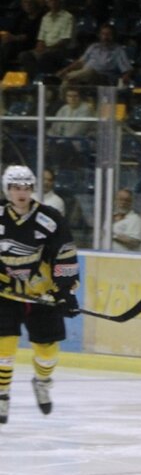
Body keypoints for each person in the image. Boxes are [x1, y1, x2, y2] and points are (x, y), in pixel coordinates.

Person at [0, 165, 80, 424]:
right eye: (15, 187)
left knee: (47, 352)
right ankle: (2, 394)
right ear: (6, 189)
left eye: (25, 187)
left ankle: (42, 380)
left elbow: (64, 254)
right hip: (5, 294)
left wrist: (66, 292)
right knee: (4, 347)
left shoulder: (50, 218)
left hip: (41, 294)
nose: (20, 193)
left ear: (32, 189)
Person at [56, 23, 132, 91]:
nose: (106, 37)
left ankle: (67, 76)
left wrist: (125, 77)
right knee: (68, 82)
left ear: (113, 36)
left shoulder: (118, 50)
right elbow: (80, 62)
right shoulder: (93, 47)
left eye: (109, 34)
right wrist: (65, 70)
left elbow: (127, 69)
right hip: (84, 75)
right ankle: (61, 102)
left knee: (89, 71)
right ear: (100, 35)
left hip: (104, 78)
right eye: (103, 34)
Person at [18, 0, 73, 79]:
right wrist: (39, 48)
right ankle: (36, 80)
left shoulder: (68, 17)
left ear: (60, 1)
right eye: (50, 1)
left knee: (46, 56)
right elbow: (41, 38)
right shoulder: (45, 17)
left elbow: (65, 40)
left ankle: (48, 81)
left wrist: (47, 49)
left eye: (54, 0)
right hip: (46, 49)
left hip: (61, 49)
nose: (52, 2)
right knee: (24, 55)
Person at [0, 0, 43, 73]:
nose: (27, 5)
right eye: (25, 2)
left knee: (7, 45)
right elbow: (12, 29)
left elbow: (33, 36)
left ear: (35, 3)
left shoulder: (41, 17)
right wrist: (7, 35)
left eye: (30, 2)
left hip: (31, 44)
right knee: (5, 42)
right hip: (16, 43)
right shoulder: (22, 15)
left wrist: (14, 38)